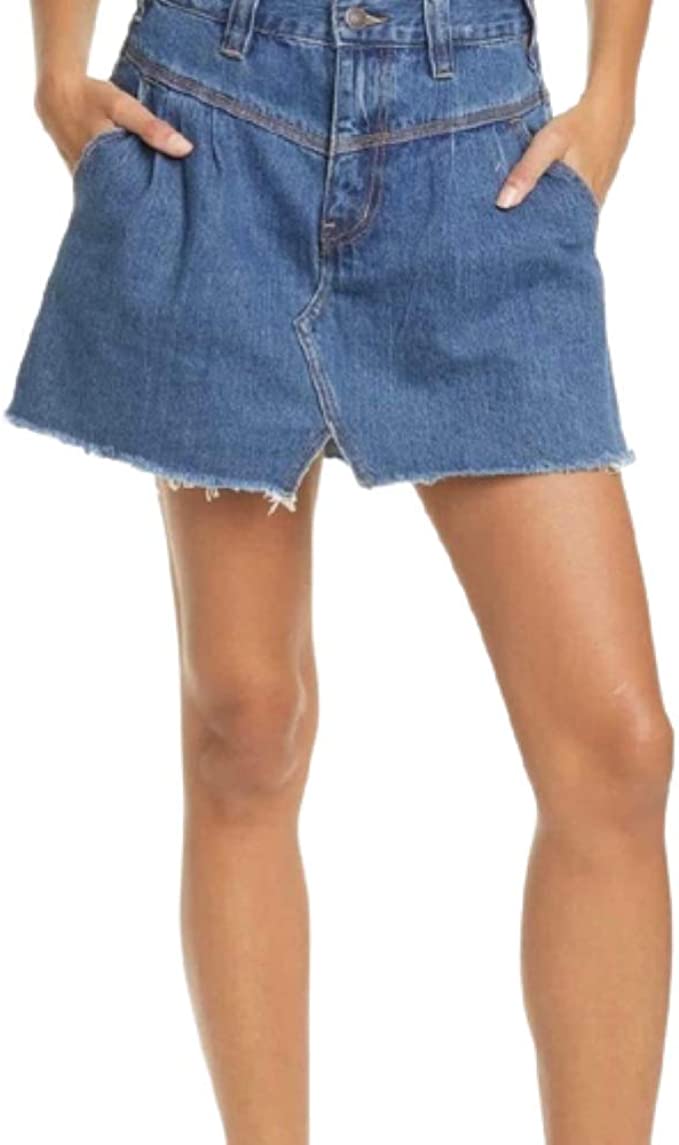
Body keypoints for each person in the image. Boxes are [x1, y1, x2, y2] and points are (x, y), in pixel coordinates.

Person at [5, 1, 672, 1142]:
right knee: (245, 724)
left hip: (473, 145)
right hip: (219, 116)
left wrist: (611, 96)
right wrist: (56, 73)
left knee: (616, 749)